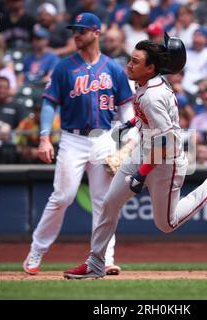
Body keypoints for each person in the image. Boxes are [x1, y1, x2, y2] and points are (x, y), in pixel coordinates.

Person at [63, 38, 207, 279]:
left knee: (166, 224)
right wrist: (132, 123)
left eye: (135, 61)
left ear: (150, 68)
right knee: (110, 203)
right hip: (144, 149)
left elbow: (165, 142)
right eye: (130, 59)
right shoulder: (148, 83)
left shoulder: (152, 94)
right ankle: (96, 263)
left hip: (165, 162)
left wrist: (141, 174)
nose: (129, 65)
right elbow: (154, 120)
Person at [22, 13, 135, 277]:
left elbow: (126, 107)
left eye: (82, 31)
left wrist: (127, 139)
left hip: (104, 137)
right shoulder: (64, 68)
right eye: (74, 31)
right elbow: (50, 102)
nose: (76, 35)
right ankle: (37, 248)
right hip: (72, 138)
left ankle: (104, 258)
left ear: (96, 33)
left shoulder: (114, 68)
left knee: (105, 202)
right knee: (63, 196)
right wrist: (43, 137)